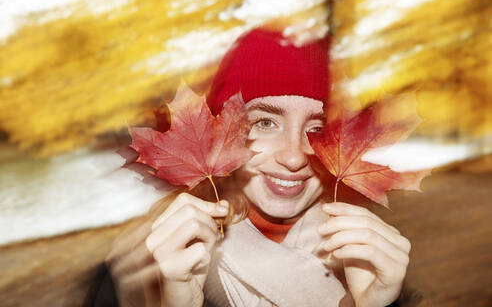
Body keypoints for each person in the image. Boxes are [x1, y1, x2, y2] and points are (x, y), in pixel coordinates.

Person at [104, 27, 411, 307]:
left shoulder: (369, 258)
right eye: (264, 122)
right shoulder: (137, 269)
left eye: (316, 129)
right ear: (219, 134)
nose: (294, 158)